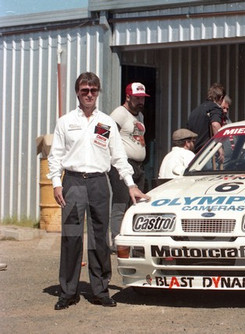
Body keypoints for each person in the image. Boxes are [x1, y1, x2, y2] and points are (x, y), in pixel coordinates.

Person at [47, 72, 150, 310]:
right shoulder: (65, 122)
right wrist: (56, 183)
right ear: (77, 93)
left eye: (93, 90)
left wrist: (130, 184)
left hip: (98, 183)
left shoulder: (106, 122)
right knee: (71, 237)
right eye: (85, 90)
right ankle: (68, 292)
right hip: (72, 182)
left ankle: (100, 290)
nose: (89, 95)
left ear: (98, 92)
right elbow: (56, 156)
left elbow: (119, 156)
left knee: (99, 238)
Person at [108, 82, 149, 252]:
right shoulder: (119, 113)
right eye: (137, 98)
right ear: (128, 97)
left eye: (142, 98)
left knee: (135, 204)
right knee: (120, 202)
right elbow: (106, 135)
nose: (140, 101)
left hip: (138, 166)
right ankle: (118, 242)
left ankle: (133, 240)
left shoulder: (139, 117)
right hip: (123, 164)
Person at [187, 82, 225, 153]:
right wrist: (219, 147)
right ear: (221, 98)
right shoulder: (215, 108)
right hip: (207, 153)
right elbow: (215, 125)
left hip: (194, 154)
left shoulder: (195, 111)